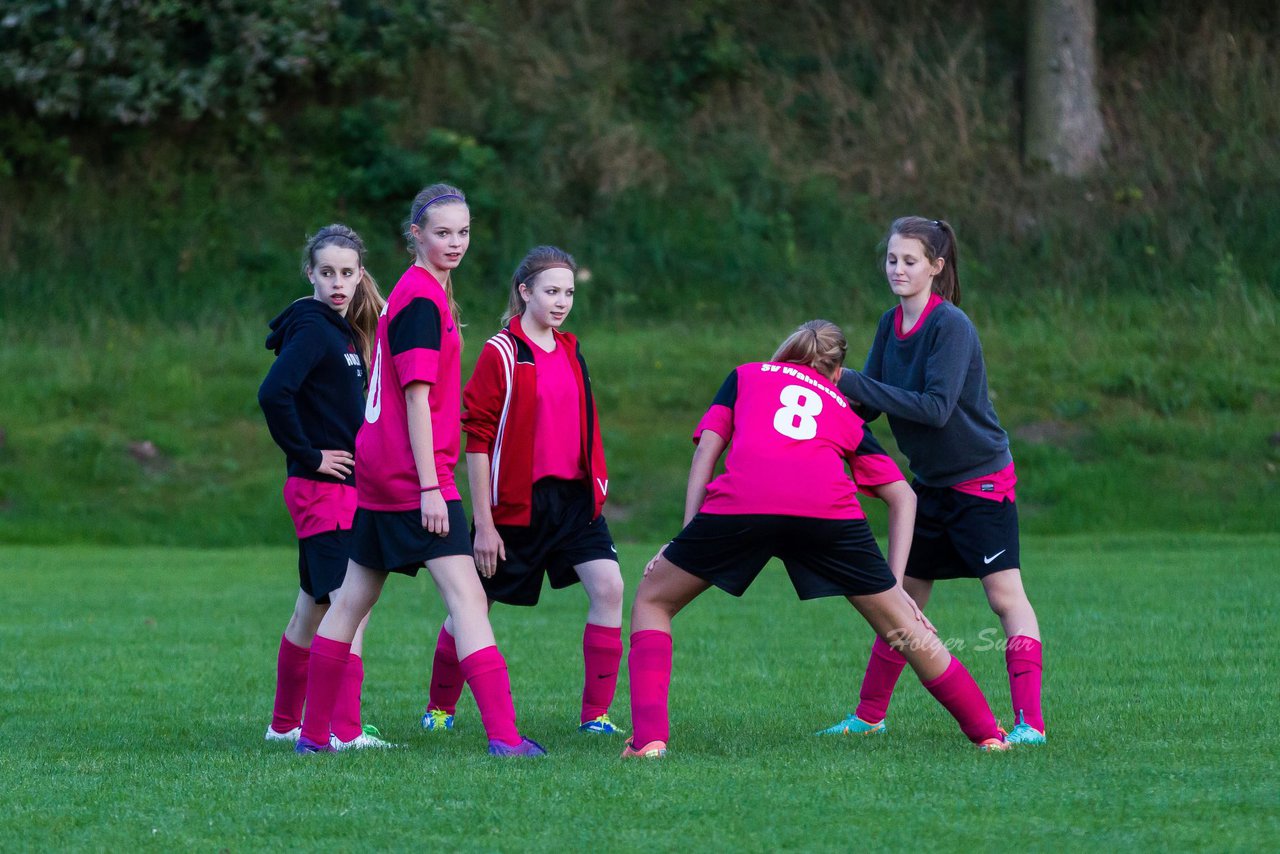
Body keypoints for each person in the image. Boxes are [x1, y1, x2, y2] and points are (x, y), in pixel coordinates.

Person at [623, 320, 1010, 758]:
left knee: (653, 600)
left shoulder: (745, 375)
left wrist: (684, 538)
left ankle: (649, 741)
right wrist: (896, 585)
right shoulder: (841, 406)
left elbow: (706, 452)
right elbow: (902, 495)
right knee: (904, 629)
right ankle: (987, 734)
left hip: (745, 501)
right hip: (826, 511)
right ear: (837, 371)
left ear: (785, 351)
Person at [294, 184, 545, 756]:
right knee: (467, 599)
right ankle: (505, 739)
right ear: (416, 235)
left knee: (352, 600)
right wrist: (432, 486)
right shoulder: (420, 301)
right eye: (442, 232)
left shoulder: (418, 293)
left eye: (463, 232)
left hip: (379, 474)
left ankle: (312, 737)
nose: (454, 243)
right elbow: (415, 397)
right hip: (413, 479)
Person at [820, 216, 1046, 745]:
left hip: (981, 481)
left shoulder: (952, 327)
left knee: (1004, 597)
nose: (898, 269)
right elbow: (866, 405)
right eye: (892, 259)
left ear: (936, 268)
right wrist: (822, 412)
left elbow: (937, 409)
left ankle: (1030, 724)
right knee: (897, 597)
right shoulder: (886, 323)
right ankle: (869, 716)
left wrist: (852, 381)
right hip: (930, 486)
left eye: (910, 261)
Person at [419, 246, 624, 737]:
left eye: (569, 292)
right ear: (525, 291)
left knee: (610, 587)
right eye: (551, 291)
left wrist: (596, 483)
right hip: (515, 507)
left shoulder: (572, 348)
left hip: (574, 503)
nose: (561, 302)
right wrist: (485, 525)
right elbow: (477, 438)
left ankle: (595, 717)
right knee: (473, 606)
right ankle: (439, 708)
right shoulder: (501, 352)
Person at [258, 223, 391, 750]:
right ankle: (344, 730)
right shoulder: (314, 329)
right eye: (328, 272)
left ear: (360, 276)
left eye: (348, 272)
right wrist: (309, 456)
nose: (339, 282)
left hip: (338, 491)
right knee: (348, 606)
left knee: (313, 607)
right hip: (323, 490)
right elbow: (274, 394)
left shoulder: (338, 330)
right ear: (309, 273)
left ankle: (284, 722)